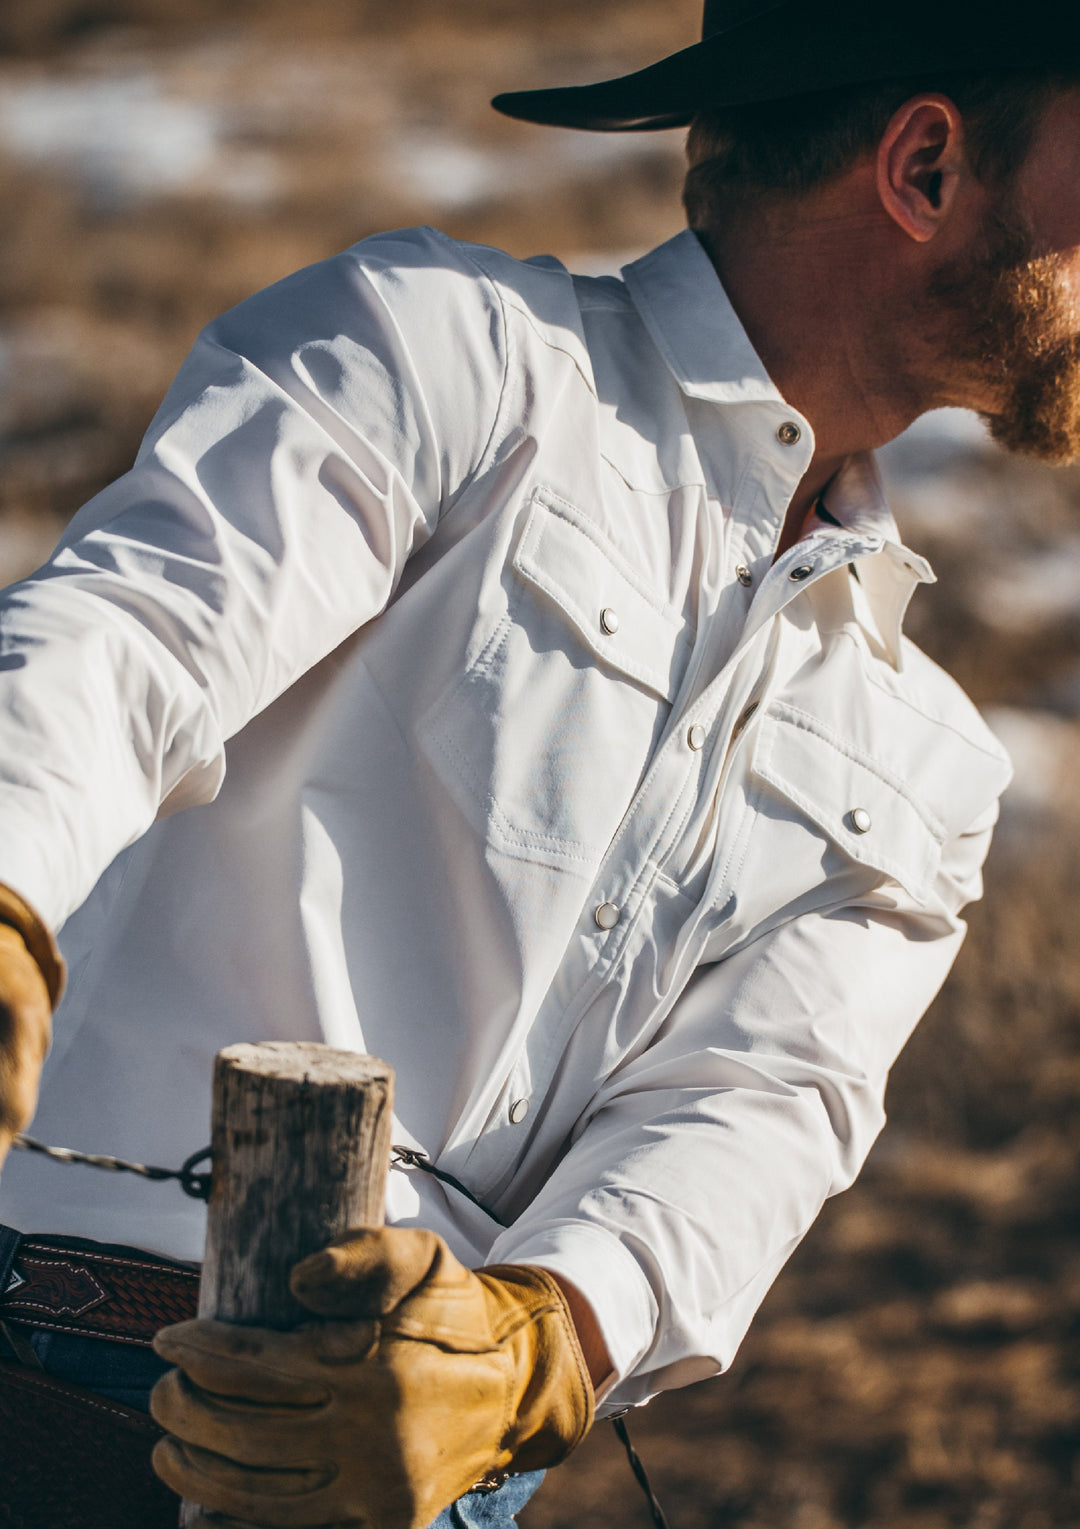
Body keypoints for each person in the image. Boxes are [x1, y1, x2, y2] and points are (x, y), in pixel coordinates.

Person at [6, 0, 1080, 1523]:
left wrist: (535, 1351)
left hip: (431, 1498)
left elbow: (754, 1117)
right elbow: (139, 627)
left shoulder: (929, 762)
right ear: (922, 166)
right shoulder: (445, 355)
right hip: (48, 1400)